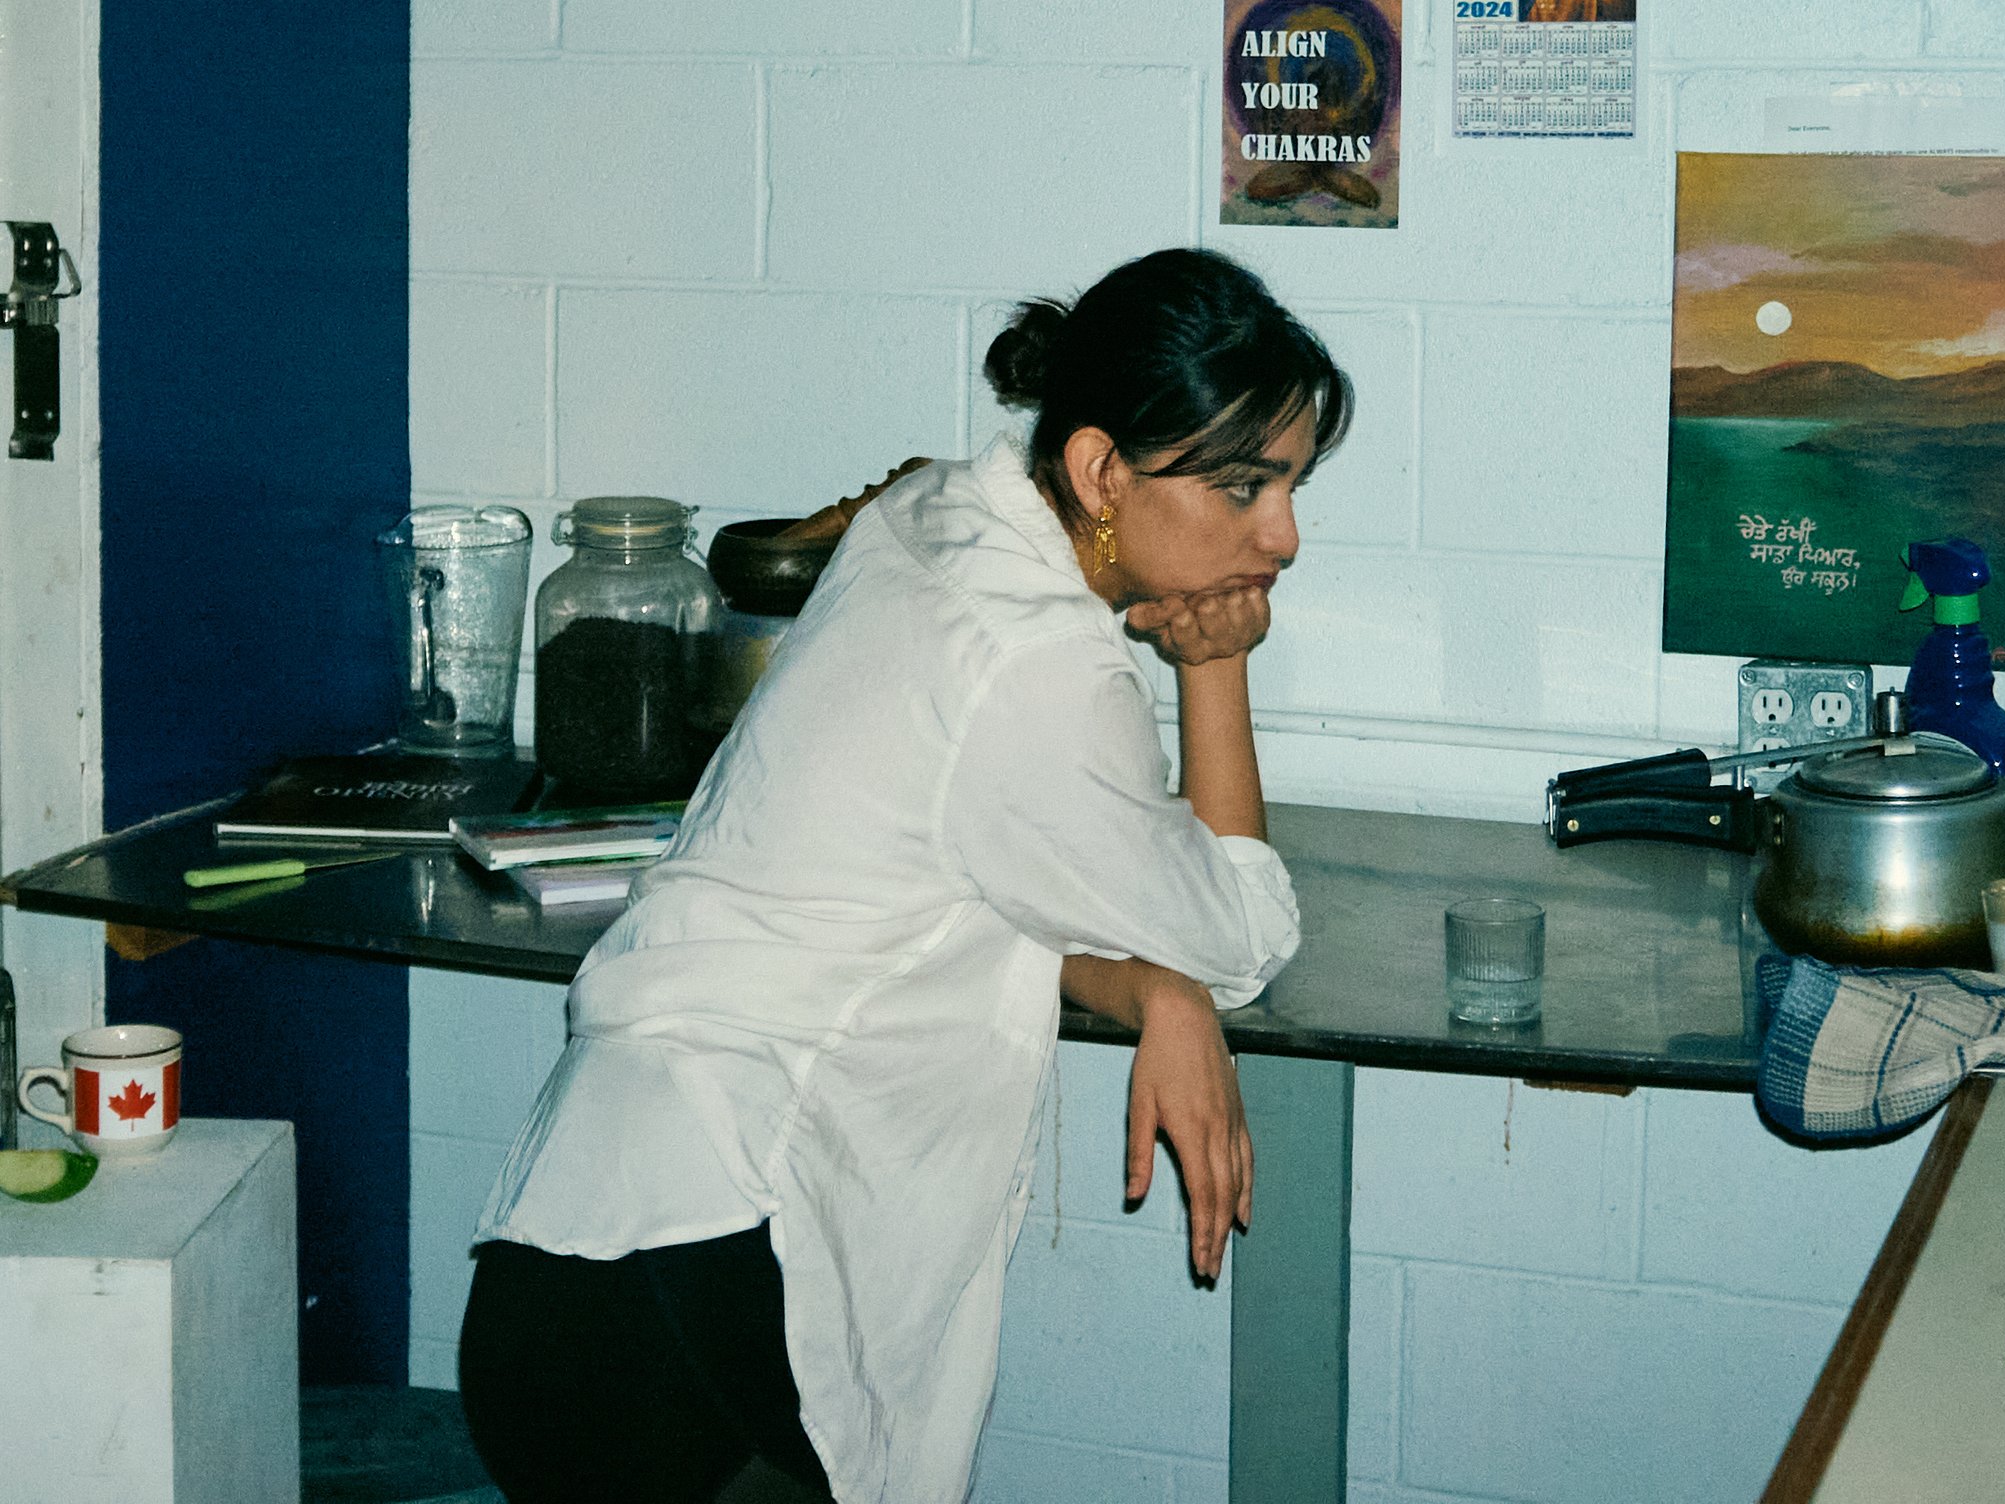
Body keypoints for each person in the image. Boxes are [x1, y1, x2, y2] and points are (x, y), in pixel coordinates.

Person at [458, 248, 1350, 1504]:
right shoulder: (1038, 663)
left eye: (1294, 485)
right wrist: (1214, 667)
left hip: (585, 1246)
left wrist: (1155, 988)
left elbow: (969, 902)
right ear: (1100, 469)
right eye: (1245, 485)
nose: (1284, 536)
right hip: (717, 1280)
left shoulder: (929, 514)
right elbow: (1243, 935)